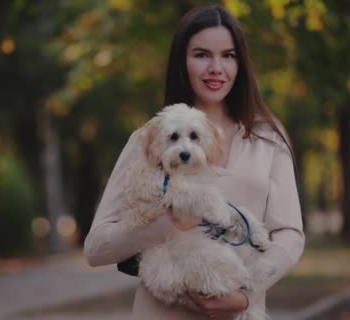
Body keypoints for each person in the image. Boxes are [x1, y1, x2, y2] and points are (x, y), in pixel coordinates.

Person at [83, 4, 305, 320]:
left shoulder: (268, 137)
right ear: (182, 62)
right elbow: (96, 248)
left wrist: (245, 295)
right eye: (201, 55)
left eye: (228, 55)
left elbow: (289, 234)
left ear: (240, 64)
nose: (216, 67)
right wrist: (166, 224)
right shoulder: (149, 140)